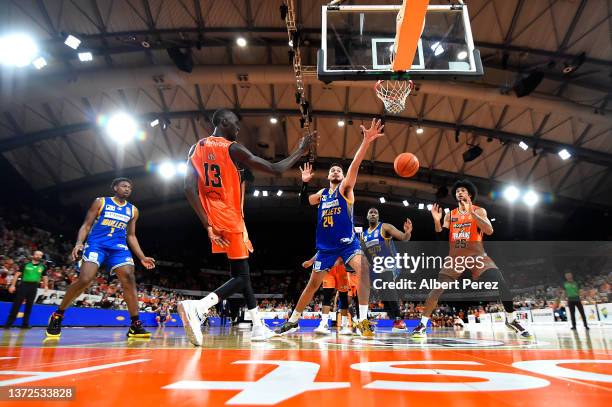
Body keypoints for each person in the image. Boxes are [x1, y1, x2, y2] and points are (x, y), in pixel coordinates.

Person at [178, 108, 314, 346]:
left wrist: (208, 224)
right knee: (241, 277)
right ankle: (199, 307)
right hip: (230, 218)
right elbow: (276, 169)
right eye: (234, 123)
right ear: (221, 121)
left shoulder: (196, 148)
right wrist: (300, 151)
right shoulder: (232, 148)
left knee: (240, 273)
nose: (238, 128)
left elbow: (189, 188)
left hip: (213, 217)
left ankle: (258, 326)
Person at [275, 118, 385, 339]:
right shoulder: (322, 195)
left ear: (342, 177)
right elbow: (303, 202)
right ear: (327, 176)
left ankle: (363, 320)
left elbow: (354, 166)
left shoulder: (345, 190)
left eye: (339, 170)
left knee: (364, 269)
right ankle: (294, 321)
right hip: (326, 248)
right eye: (332, 170)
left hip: (347, 244)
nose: (336, 171)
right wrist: (304, 182)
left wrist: (366, 143)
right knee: (313, 284)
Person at [411, 179, 531, 338]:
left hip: (477, 256)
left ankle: (511, 320)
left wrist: (472, 214)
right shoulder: (450, 215)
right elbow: (441, 236)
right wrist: (436, 220)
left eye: (462, 190)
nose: (459, 193)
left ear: (469, 194)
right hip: (456, 257)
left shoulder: (479, 211)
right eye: (457, 191)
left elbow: (489, 231)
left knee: (501, 282)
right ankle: (422, 325)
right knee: (437, 289)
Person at [45, 178, 156, 338]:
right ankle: (58, 315)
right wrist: (78, 243)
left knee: (129, 278)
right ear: (115, 187)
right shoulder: (101, 202)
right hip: (97, 245)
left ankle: (135, 324)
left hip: (118, 248)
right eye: (124, 186)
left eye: (130, 187)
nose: (127, 189)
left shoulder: (133, 210)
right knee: (85, 279)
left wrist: (142, 256)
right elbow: (86, 225)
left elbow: (131, 235)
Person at [362, 207, 412, 332]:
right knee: (381, 295)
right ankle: (365, 320)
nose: (373, 214)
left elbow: (403, 238)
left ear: (378, 217)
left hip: (390, 263)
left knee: (388, 285)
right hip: (376, 267)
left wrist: (407, 232)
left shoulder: (385, 227)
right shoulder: (363, 235)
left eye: (375, 213)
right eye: (371, 213)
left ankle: (399, 319)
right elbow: (364, 254)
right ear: (367, 216)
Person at [302, 256, 352, 335]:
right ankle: (324, 324)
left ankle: (344, 325)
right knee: (327, 295)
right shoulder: (326, 243)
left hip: (342, 267)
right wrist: (310, 261)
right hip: (329, 268)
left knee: (343, 297)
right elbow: (321, 251)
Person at [4, 251, 48, 329]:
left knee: (29, 305)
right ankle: (8, 324)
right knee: (17, 304)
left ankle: (25, 324)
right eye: (37, 254)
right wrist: (13, 285)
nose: (38, 256)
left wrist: (46, 286)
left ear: (41, 257)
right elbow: (17, 275)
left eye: (40, 255)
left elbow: (45, 277)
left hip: (34, 287)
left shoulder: (43, 267)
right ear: (33, 255)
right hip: (24, 285)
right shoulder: (25, 264)